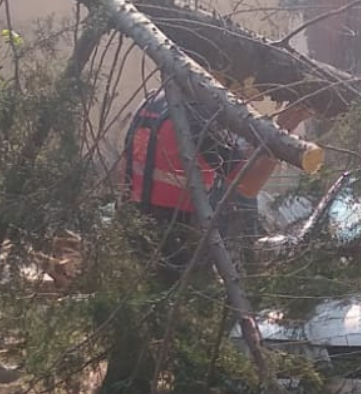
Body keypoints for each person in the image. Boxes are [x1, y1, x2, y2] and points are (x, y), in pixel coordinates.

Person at [122, 80, 309, 276]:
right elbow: (248, 184)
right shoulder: (198, 117)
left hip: (133, 221)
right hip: (176, 234)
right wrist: (282, 131)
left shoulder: (155, 99)